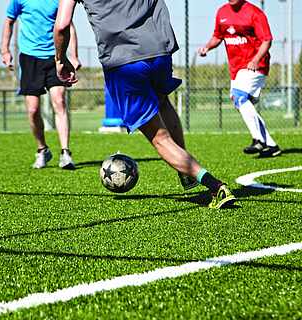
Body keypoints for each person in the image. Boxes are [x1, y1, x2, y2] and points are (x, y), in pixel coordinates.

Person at [53, 0, 236, 209]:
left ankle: (214, 185)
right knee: (163, 103)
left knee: (160, 139)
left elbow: (61, 25)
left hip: (123, 61)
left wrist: (60, 58)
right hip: (158, 51)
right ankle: (184, 170)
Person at [1, 0, 82, 169]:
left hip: (56, 57)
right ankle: (42, 149)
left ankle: (65, 153)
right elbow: (9, 21)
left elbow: (69, 26)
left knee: (59, 101)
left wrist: (73, 55)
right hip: (29, 58)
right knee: (33, 109)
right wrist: (5, 50)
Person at [198, 0, 281, 158]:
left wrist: (256, 60)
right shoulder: (222, 12)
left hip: (256, 64)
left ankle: (259, 140)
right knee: (240, 102)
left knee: (239, 96)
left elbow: (266, 40)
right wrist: (207, 47)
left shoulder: (255, 13)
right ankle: (271, 145)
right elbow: (217, 36)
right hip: (236, 69)